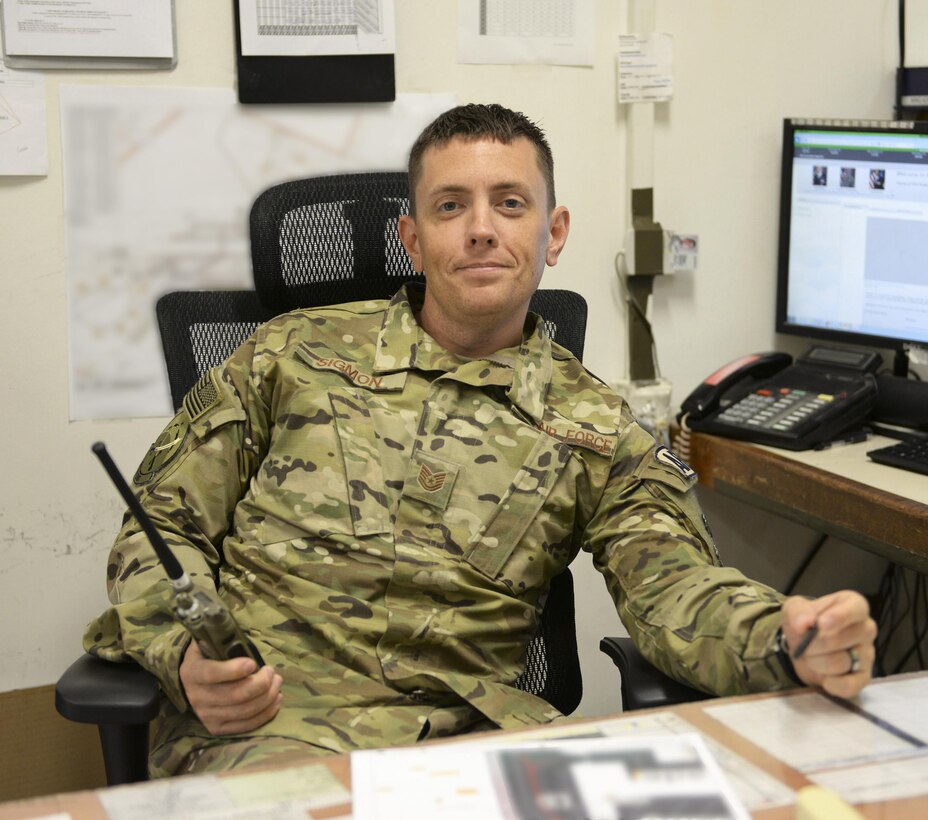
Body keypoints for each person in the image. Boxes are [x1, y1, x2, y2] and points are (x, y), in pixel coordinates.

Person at [84, 103, 876, 777]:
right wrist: (183, 660)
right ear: (411, 238)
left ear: (553, 231)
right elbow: (159, 532)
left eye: (509, 203)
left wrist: (784, 635)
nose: (481, 230)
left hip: (476, 744)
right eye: (450, 205)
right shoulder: (290, 353)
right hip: (275, 733)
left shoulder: (598, 428)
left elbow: (672, 589)